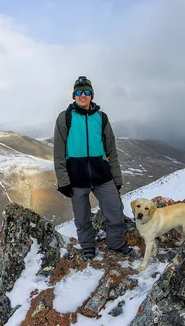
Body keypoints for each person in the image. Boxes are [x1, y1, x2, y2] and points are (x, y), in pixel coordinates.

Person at [53, 76, 132, 259]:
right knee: (82, 217)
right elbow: (59, 152)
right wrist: (63, 180)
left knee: (115, 210)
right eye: (79, 92)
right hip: (77, 177)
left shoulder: (101, 118)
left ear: (91, 95)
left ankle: (116, 243)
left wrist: (117, 179)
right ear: (74, 96)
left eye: (86, 92)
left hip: (102, 175)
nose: (83, 95)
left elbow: (111, 150)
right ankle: (88, 245)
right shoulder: (65, 118)